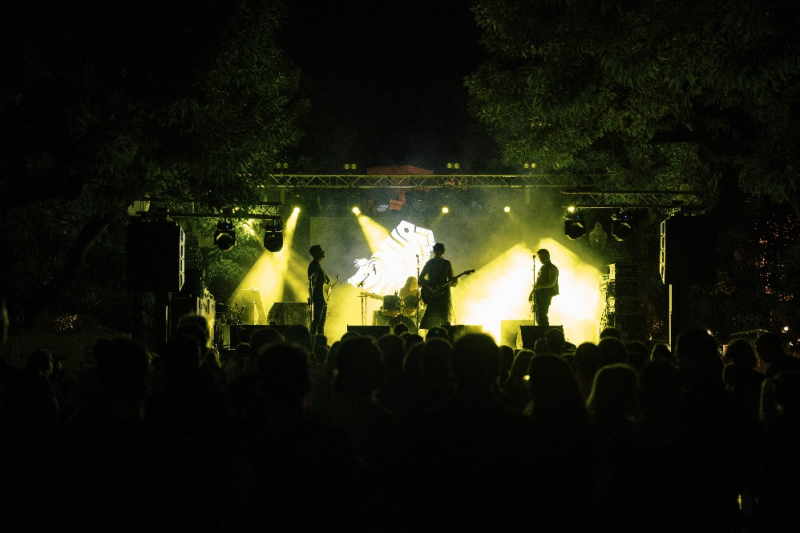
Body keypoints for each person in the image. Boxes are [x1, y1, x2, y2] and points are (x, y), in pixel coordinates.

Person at [418, 243, 456, 330]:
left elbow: (452, 280)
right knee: (431, 318)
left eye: (440, 252)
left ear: (442, 252)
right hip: (434, 295)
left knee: (443, 318)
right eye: (437, 252)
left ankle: (441, 332)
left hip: (443, 294)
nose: (438, 253)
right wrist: (430, 287)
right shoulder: (430, 263)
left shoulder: (446, 264)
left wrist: (452, 281)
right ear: (434, 252)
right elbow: (420, 279)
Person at [528, 249, 559, 327]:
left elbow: (552, 283)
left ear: (548, 256)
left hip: (545, 295)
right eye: (540, 257)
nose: (541, 259)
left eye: (543, 257)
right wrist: (532, 293)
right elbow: (538, 282)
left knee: (542, 315)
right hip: (539, 295)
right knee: (539, 316)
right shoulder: (543, 268)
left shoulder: (552, 268)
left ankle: (545, 332)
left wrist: (540, 286)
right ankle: (542, 331)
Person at [308, 244, 330, 336]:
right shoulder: (314, 265)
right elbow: (312, 282)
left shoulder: (318, 265)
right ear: (316, 253)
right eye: (321, 250)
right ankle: (313, 340)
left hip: (321, 297)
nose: (323, 252)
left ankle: (319, 339)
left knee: (321, 322)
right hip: (318, 297)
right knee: (317, 321)